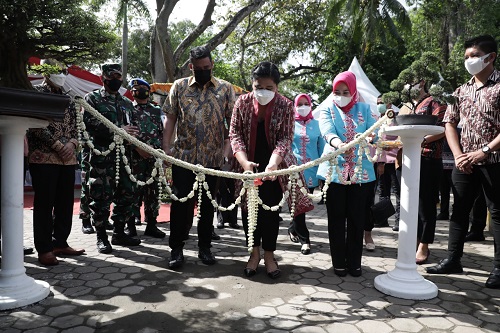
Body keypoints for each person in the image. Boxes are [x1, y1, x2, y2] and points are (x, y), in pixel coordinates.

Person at [426, 35, 500, 289]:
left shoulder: (499, 86)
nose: (469, 60)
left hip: (494, 160)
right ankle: (452, 259)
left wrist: (485, 151)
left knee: (497, 213)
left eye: (474, 56)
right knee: (458, 212)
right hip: (464, 162)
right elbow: (449, 122)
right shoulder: (461, 90)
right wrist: (458, 155)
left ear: (490, 57)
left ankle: (499, 268)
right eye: (466, 57)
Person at [229, 61, 314, 279]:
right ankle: (253, 254)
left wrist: (274, 163)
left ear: (276, 87)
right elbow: (235, 134)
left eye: (269, 88)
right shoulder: (242, 102)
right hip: (247, 165)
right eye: (259, 86)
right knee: (249, 212)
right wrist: (244, 163)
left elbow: (286, 137)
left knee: (270, 212)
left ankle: (269, 255)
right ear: (252, 84)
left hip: (274, 166)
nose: (263, 92)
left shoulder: (286, 106)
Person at [162, 46, 235, 269]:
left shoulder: (225, 89)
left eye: (207, 67)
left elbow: (232, 124)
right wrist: (166, 148)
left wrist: (227, 151)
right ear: (191, 67)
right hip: (183, 158)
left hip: (212, 161)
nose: (204, 71)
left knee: (207, 207)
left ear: (212, 64)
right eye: (199, 68)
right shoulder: (179, 86)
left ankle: (205, 247)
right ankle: (176, 249)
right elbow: (171, 118)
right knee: (180, 204)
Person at [316, 71, 378, 277]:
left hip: (361, 174)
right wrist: (340, 145)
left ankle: (354, 263)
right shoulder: (327, 109)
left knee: (357, 219)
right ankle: (338, 263)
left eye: (345, 91)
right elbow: (327, 131)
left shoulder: (365, 108)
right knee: (336, 218)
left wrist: (366, 138)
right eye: (337, 91)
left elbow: (374, 131)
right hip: (334, 171)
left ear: (353, 92)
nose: (341, 95)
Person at [27, 59, 85, 265]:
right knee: (44, 203)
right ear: (45, 72)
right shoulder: (36, 94)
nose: (61, 74)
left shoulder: (69, 98)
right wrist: (59, 146)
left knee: (65, 203)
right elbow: (34, 125)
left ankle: (60, 242)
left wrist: (72, 143)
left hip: (67, 160)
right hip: (44, 157)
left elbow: (77, 126)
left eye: (64, 71)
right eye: (57, 71)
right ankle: (44, 248)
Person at [83, 63, 141, 254]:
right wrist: (118, 130)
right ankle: (101, 236)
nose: (116, 80)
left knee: (128, 193)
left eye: (119, 76)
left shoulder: (126, 103)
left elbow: (130, 125)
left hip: (123, 156)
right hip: (102, 155)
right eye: (112, 76)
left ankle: (118, 232)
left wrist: (132, 134)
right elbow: (90, 124)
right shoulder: (92, 99)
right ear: (103, 78)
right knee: (100, 196)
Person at [406, 80, 447, 265]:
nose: (408, 86)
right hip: (412, 158)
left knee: (427, 204)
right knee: (412, 202)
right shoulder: (414, 105)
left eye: (411, 82)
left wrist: (421, 141)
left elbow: (443, 128)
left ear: (422, 82)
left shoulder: (434, 101)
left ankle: (424, 244)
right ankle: (414, 240)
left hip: (430, 158)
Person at [126, 78, 165, 239]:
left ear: (148, 91)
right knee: (132, 191)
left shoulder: (157, 111)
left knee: (153, 192)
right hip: (134, 157)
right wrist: (137, 148)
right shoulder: (127, 109)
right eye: (136, 89)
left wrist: (162, 153)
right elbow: (124, 132)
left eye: (142, 88)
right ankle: (131, 226)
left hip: (153, 159)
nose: (139, 91)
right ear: (132, 92)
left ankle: (151, 224)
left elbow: (163, 133)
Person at [290, 93, 323, 255]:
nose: (303, 107)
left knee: (301, 206)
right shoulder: (289, 124)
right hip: (293, 172)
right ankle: (305, 240)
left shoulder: (317, 125)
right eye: (299, 104)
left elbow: (322, 150)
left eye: (306, 103)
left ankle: (292, 228)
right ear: (295, 106)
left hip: (311, 171)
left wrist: (323, 173)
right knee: (299, 206)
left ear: (311, 105)